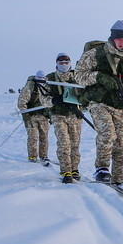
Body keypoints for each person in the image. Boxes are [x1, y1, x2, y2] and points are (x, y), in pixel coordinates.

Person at [75, 20, 123, 186]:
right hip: (99, 102)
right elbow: (78, 76)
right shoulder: (95, 54)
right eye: (120, 39)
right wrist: (99, 77)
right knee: (108, 133)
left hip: (121, 107)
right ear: (112, 38)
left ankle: (119, 180)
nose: (122, 43)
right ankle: (101, 169)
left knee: (122, 144)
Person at [44, 53, 84, 183]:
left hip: (75, 115)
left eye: (66, 62)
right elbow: (43, 99)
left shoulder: (77, 77)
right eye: (61, 62)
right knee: (64, 143)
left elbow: (86, 94)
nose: (64, 64)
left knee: (75, 143)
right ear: (56, 63)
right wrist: (54, 100)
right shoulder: (50, 78)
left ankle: (74, 169)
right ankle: (66, 170)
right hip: (58, 115)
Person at [17, 70, 51, 163]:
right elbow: (22, 102)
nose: (41, 80)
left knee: (44, 136)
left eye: (42, 79)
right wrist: (26, 115)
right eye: (39, 79)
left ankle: (44, 156)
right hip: (31, 116)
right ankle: (32, 156)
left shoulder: (48, 87)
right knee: (33, 137)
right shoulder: (29, 87)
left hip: (43, 116)